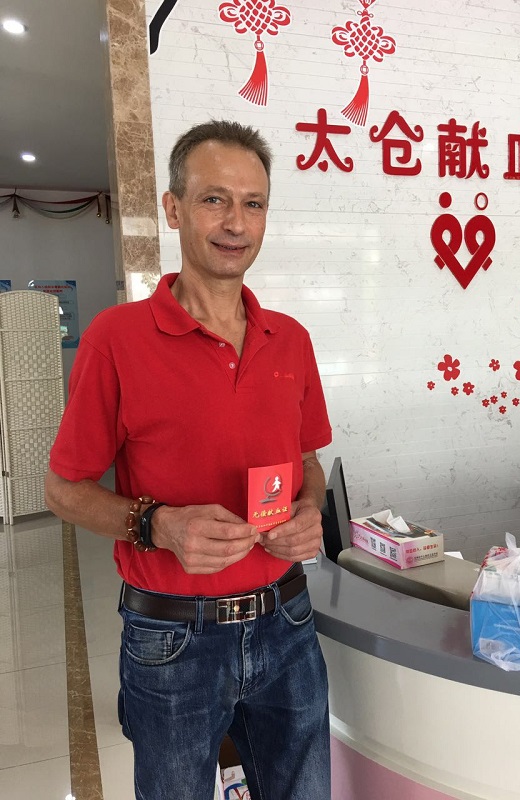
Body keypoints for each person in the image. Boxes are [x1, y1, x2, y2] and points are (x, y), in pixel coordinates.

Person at [45, 120, 332, 800]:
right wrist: (157, 525)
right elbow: (63, 489)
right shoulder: (116, 338)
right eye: (214, 199)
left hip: (288, 622)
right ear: (173, 208)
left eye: (253, 203)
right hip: (173, 636)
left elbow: (309, 460)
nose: (236, 222)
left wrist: (309, 507)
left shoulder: (290, 340)